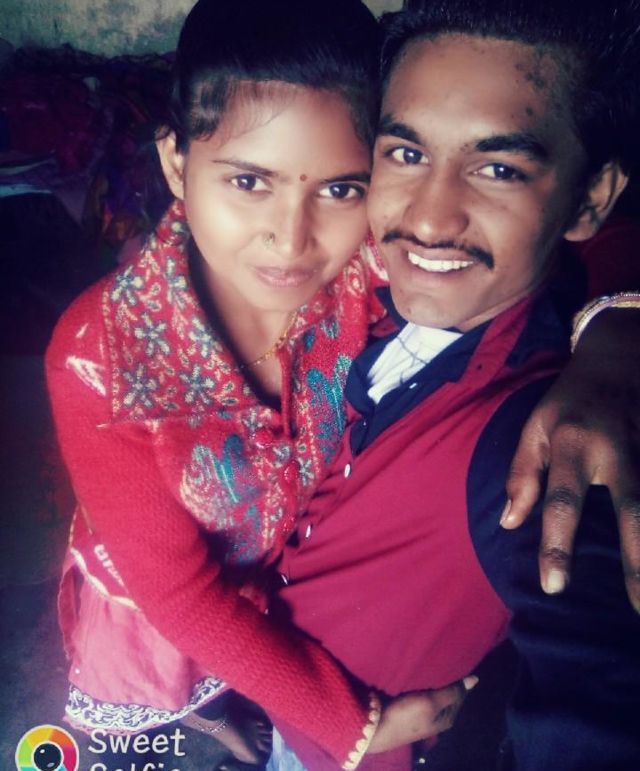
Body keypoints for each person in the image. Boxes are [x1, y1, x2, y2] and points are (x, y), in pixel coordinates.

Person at [47, 0, 640, 768]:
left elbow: (568, 218)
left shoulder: (373, 266)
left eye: (340, 188)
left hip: (279, 604)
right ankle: (214, 718)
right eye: (249, 181)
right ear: (175, 165)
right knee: (183, 682)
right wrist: (349, 723)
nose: (290, 240)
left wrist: (616, 330)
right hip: (175, 606)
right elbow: (181, 597)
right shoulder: (101, 361)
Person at [268, 1, 640, 768]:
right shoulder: (347, 285)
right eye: (406, 154)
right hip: (280, 701)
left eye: (497, 169)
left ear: (590, 200)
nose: (431, 220)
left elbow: (600, 682)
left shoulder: (533, 436)